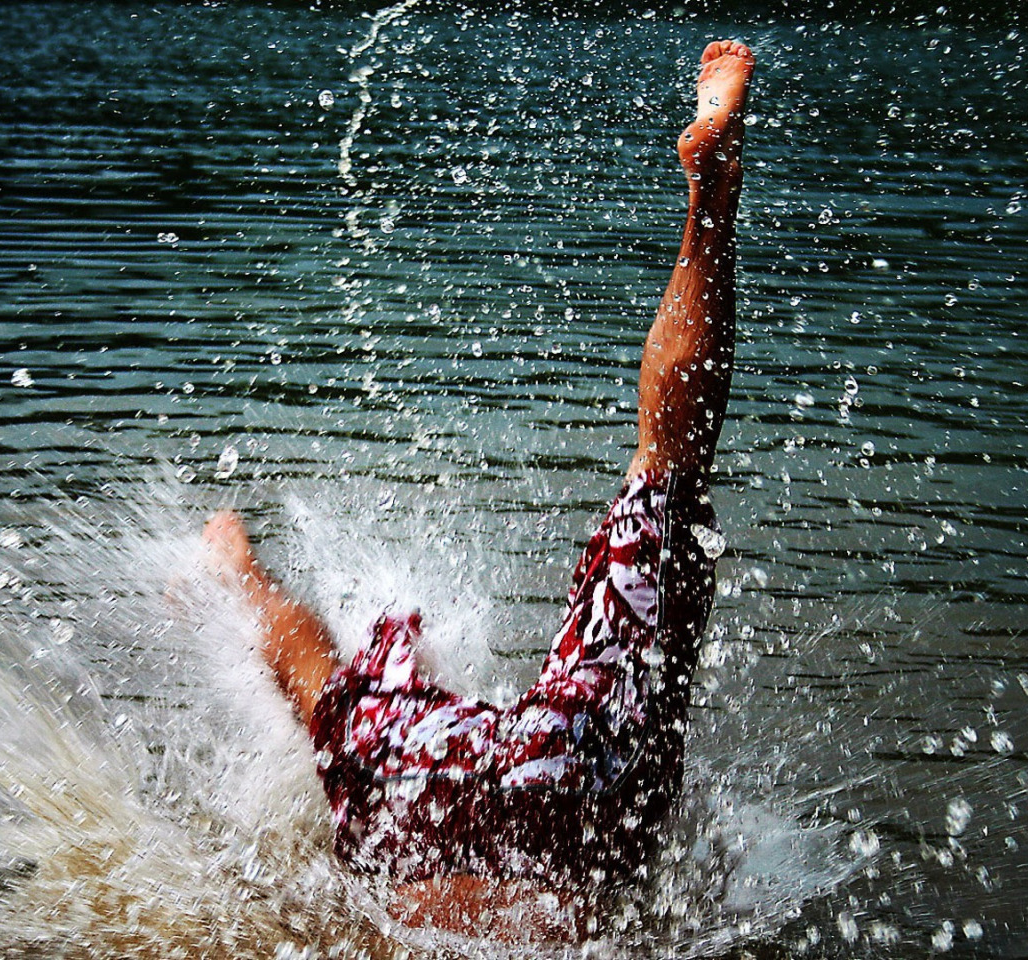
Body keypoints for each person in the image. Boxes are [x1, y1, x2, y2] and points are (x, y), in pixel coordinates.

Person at [202, 39, 755, 939]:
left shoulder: (418, 791)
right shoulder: (394, 773)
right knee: (663, 471)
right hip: (490, 784)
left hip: (478, 787)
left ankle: (235, 572)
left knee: (668, 468)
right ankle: (711, 201)